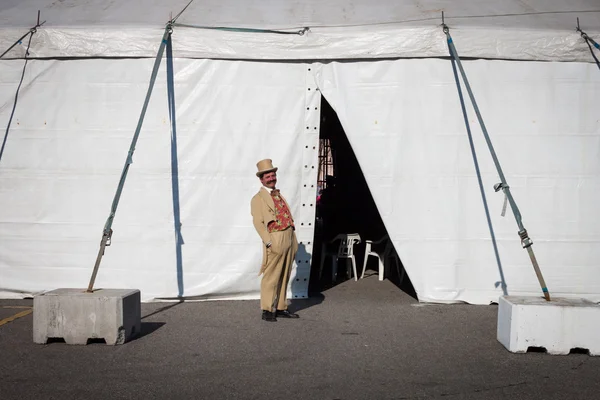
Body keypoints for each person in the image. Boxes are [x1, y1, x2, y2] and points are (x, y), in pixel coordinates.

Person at [250, 159, 300, 322]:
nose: (271, 178)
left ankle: (280, 307)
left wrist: (293, 237)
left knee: (284, 275)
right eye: (268, 176)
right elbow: (258, 222)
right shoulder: (258, 198)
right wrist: (269, 241)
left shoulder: (278, 194)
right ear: (261, 179)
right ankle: (266, 309)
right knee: (271, 276)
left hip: (288, 237)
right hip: (275, 237)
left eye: (273, 175)